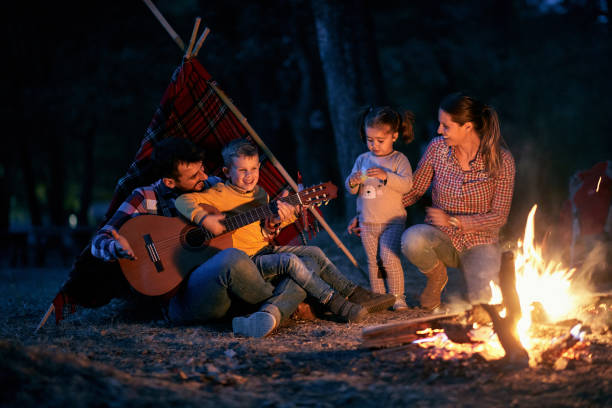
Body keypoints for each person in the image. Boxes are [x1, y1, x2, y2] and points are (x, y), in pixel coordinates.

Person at [176, 139, 395, 337]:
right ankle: (336, 304)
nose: (249, 175)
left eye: (253, 169)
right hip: (245, 262)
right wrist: (204, 218)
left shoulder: (261, 194)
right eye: (242, 170)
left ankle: (355, 293)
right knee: (291, 262)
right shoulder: (220, 194)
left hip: (263, 252)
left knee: (315, 253)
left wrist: (282, 218)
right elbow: (183, 201)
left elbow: (266, 229)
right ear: (226, 171)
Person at [91, 138, 296, 325]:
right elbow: (100, 239)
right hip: (182, 299)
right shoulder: (145, 198)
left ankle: (275, 307)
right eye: (194, 175)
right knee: (232, 258)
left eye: (202, 168)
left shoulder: (214, 186)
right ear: (170, 182)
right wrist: (115, 246)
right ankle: (285, 306)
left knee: (298, 260)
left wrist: (273, 221)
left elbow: (250, 232)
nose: (205, 176)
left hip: (224, 282)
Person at [400, 92, 516, 310]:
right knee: (412, 239)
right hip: (441, 238)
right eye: (439, 124)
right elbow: (414, 189)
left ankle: (468, 286)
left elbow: (499, 217)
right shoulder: (437, 149)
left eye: (446, 126)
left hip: (481, 242)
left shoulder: (502, 161)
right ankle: (437, 278)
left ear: (468, 127)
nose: (439, 130)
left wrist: (454, 220)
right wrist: (374, 212)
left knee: (482, 303)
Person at [345, 106, 414, 311]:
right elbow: (352, 190)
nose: (374, 145)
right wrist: (353, 181)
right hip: (368, 221)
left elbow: (407, 185)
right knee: (373, 262)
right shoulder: (362, 160)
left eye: (380, 141)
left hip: (392, 221)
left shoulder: (398, 160)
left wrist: (386, 176)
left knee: (388, 257)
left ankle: (398, 297)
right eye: (370, 140)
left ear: (394, 136)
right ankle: (379, 297)